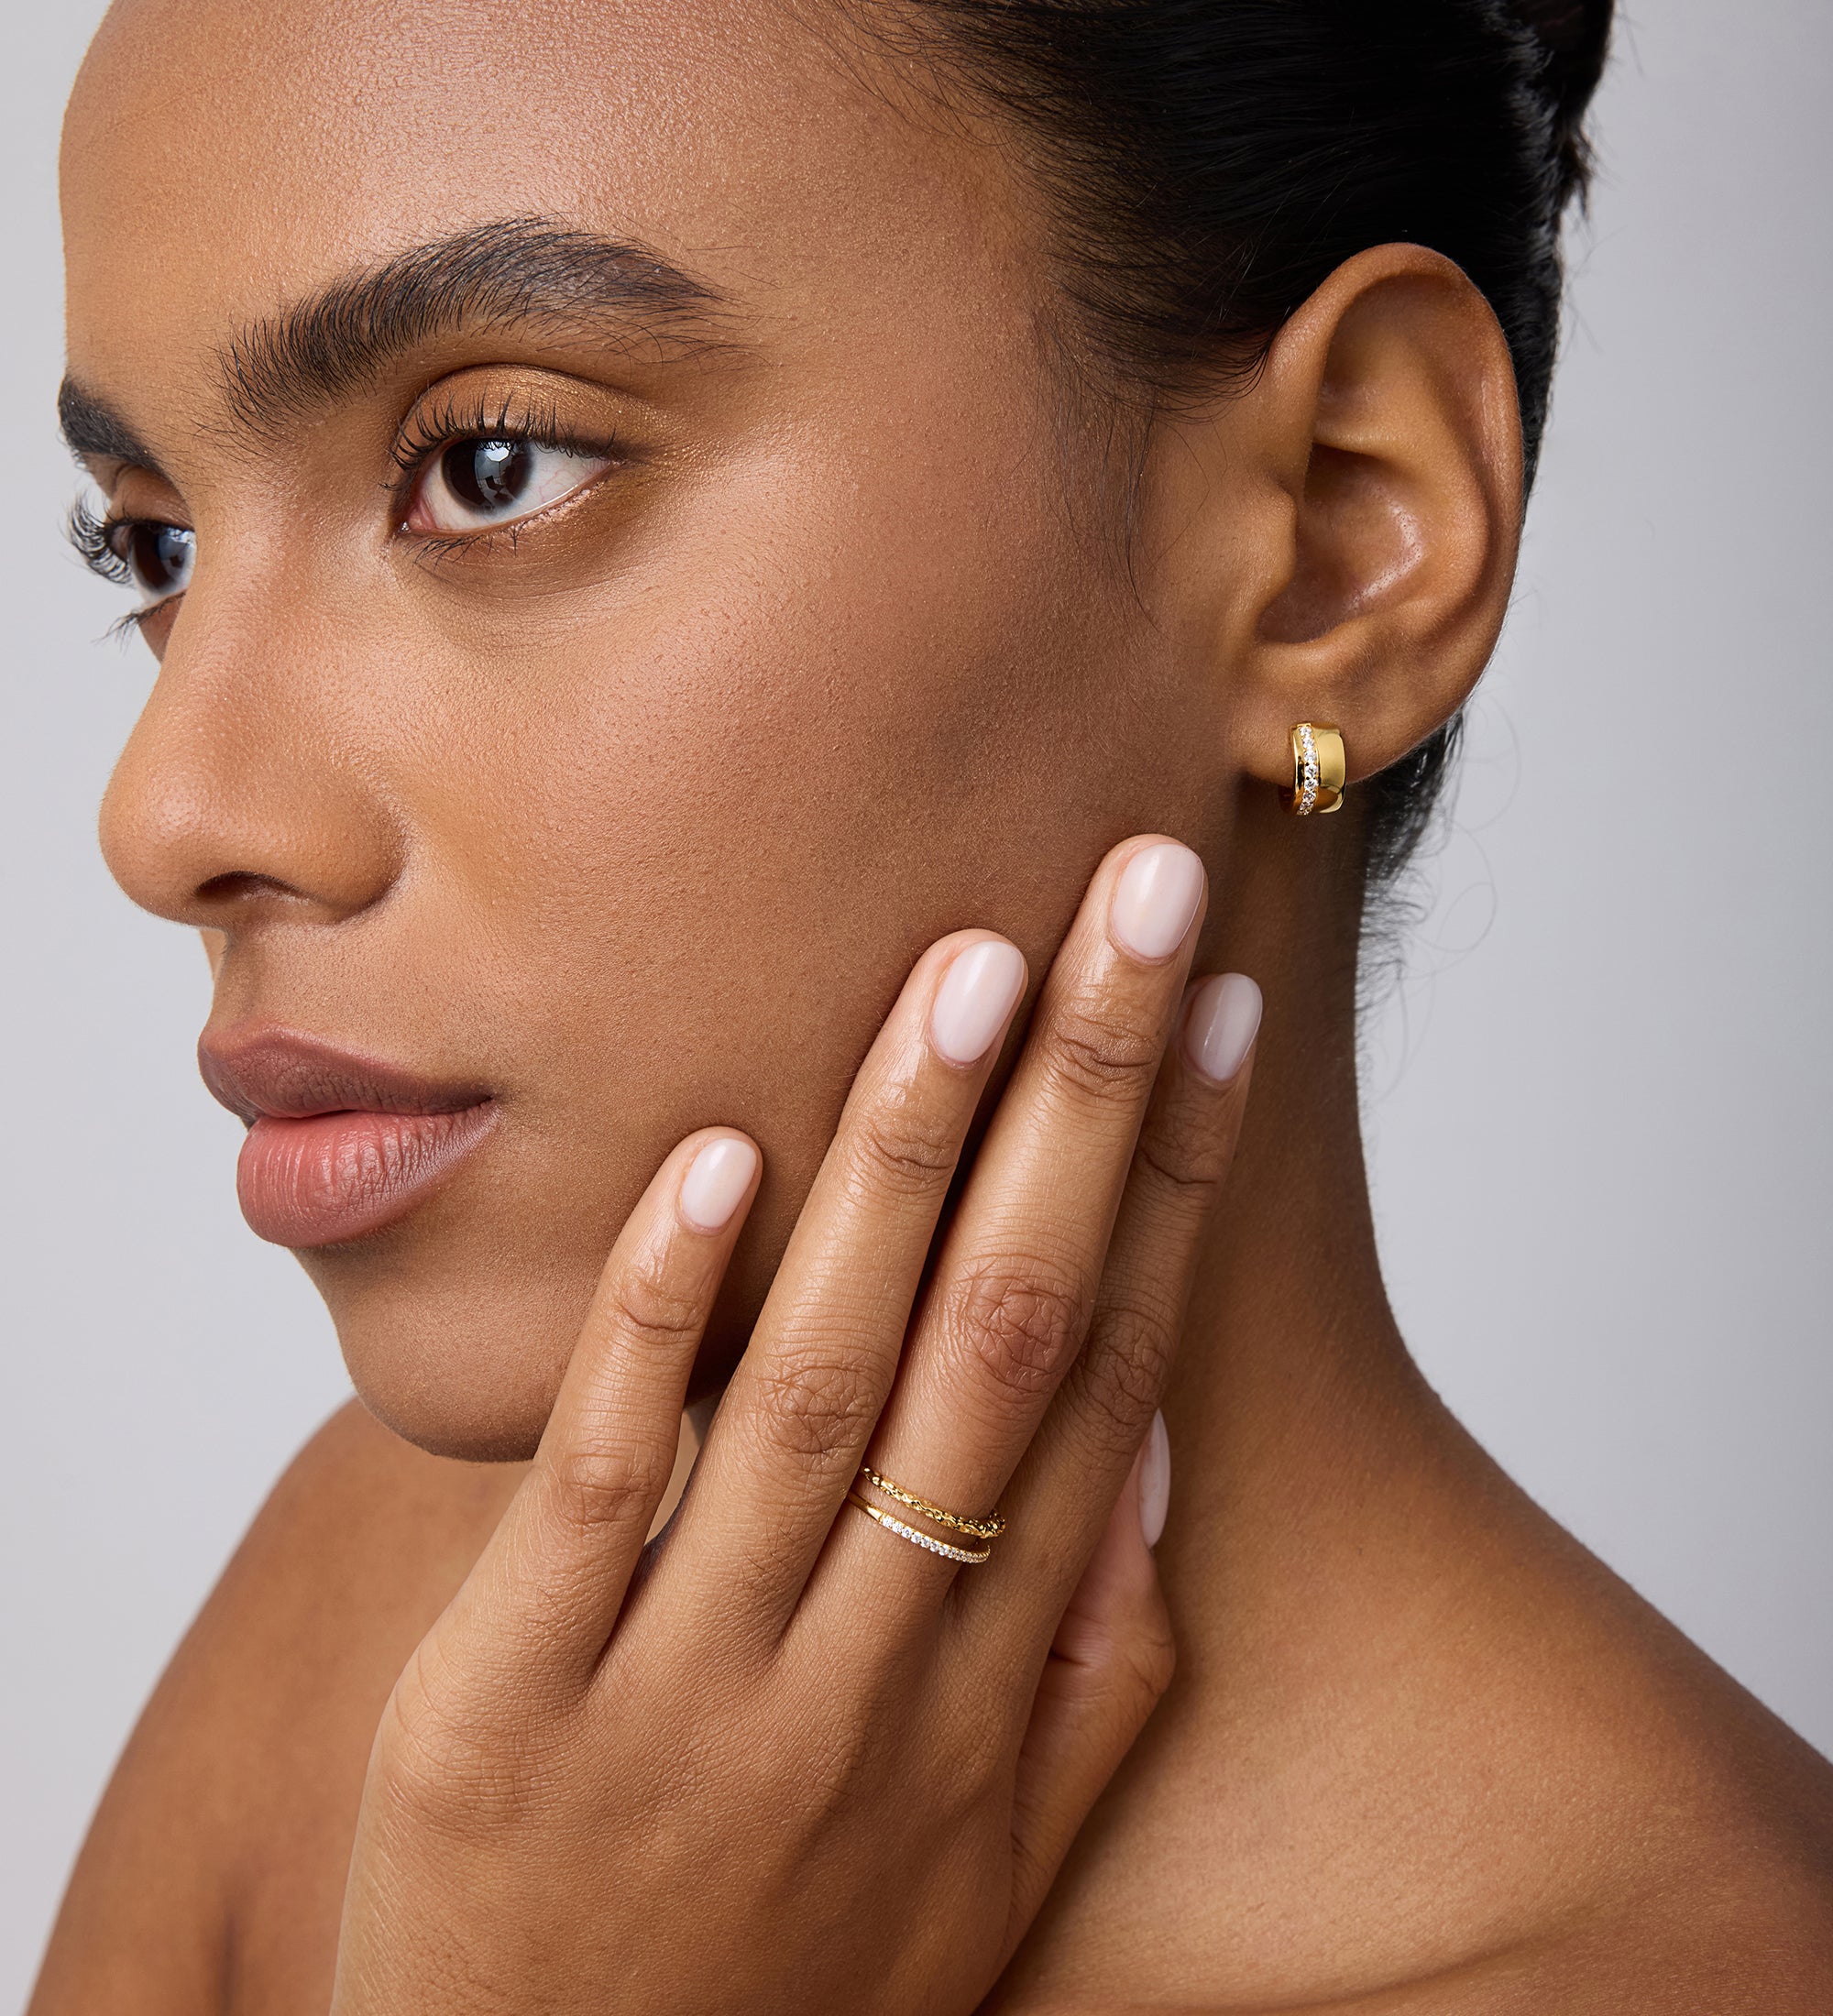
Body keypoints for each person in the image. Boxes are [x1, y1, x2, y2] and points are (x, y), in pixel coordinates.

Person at [30, 0, 1833, 2009]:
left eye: (489, 462)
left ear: (1339, 530)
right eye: (156, 540)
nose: (168, 809)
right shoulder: (427, 1648)